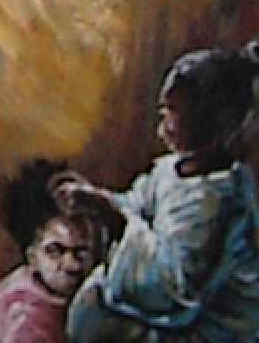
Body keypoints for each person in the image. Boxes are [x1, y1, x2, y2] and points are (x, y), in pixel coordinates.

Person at [52, 40, 259, 341]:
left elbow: (173, 291)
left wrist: (117, 221)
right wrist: (96, 199)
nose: (162, 118)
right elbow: (136, 204)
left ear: (213, 123)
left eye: (173, 111)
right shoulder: (169, 170)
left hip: (209, 327)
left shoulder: (220, 200)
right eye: (163, 108)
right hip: (173, 312)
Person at [0, 161, 103, 343]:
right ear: (32, 256)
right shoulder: (24, 313)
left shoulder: (82, 294)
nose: (71, 265)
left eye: (81, 252)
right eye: (55, 251)